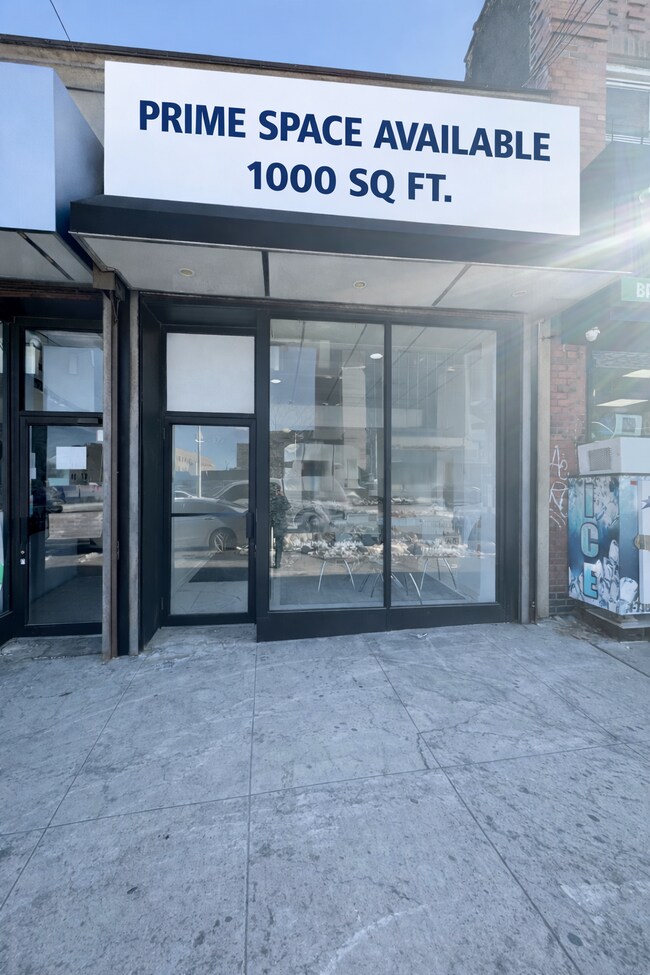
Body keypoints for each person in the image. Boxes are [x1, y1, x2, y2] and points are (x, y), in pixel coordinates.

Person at [269, 481, 291, 568]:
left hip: (276, 522)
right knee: (278, 544)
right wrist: (282, 496)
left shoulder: (271, 498)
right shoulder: (279, 498)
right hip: (278, 522)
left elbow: (287, 507)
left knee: (276, 543)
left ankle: (275, 563)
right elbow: (287, 507)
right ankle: (277, 564)